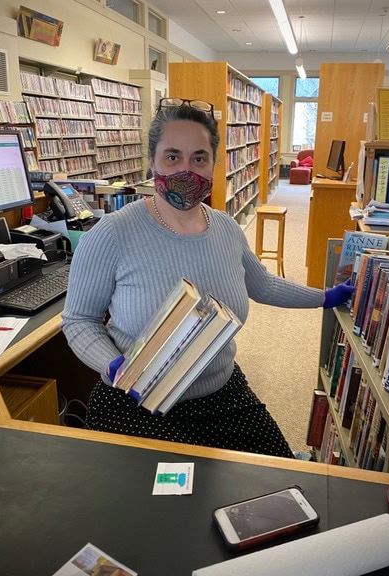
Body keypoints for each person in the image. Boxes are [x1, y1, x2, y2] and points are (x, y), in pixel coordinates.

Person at [61, 98, 354, 459]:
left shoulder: (227, 230)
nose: (186, 169)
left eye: (199, 158)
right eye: (172, 157)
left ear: (215, 163)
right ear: (152, 160)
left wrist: (325, 297)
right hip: (136, 403)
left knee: (277, 481)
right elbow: (79, 321)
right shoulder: (113, 232)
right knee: (155, 508)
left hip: (222, 394)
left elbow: (262, 284)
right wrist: (115, 365)